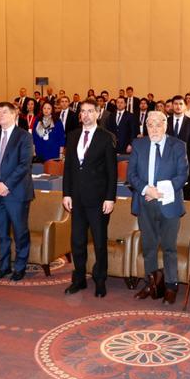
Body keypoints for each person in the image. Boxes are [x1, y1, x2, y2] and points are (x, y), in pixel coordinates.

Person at [127, 111, 188, 304]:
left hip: (169, 203)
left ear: (165, 126)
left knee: (169, 247)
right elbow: (131, 175)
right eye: (150, 125)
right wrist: (147, 189)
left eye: (158, 124)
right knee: (149, 247)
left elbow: (182, 175)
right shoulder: (139, 145)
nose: (154, 129)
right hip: (145, 203)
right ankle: (151, 283)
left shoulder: (178, 145)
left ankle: (171, 286)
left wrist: (160, 191)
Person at [62, 99, 117, 298]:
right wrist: (66, 193)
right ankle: (79, 279)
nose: (86, 115)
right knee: (77, 241)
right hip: (76, 199)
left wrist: (110, 198)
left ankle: (100, 280)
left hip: (99, 200)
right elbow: (68, 168)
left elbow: (112, 171)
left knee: (100, 243)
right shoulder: (72, 136)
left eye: (90, 111)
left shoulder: (106, 137)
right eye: (83, 111)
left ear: (98, 113)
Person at [0, 102, 34, 281]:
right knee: (1, 233)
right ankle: (4, 266)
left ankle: (20, 267)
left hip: (17, 193)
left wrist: (6, 185)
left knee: (20, 232)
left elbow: (24, 164)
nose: (0, 115)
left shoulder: (24, 136)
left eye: (4, 112)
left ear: (14, 115)